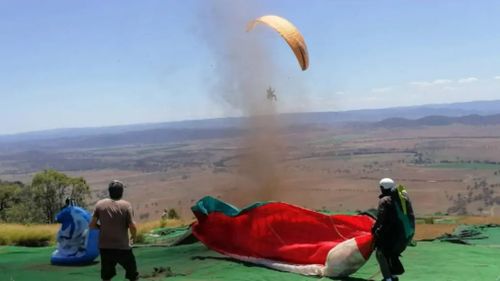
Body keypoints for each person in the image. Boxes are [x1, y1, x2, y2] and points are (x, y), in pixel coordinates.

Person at [89, 180, 139, 281]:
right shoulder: (126, 206)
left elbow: (92, 225)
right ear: (121, 192)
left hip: (105, 247)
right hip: (122, 247)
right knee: (132, 273)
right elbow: (132, 226)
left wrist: (102, 228)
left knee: (106, 276)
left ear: (109, 191)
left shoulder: (99, 204)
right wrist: (134, 237)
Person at [372, 178, 415, 281]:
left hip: (393, 235)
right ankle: (393, 276)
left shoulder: (385, 200)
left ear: (382, 188)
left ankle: (388, 279)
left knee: (380, 253)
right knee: (391, 254)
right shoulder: (401, 198)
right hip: (405, 234)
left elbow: (381, 219)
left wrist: (374, 230)